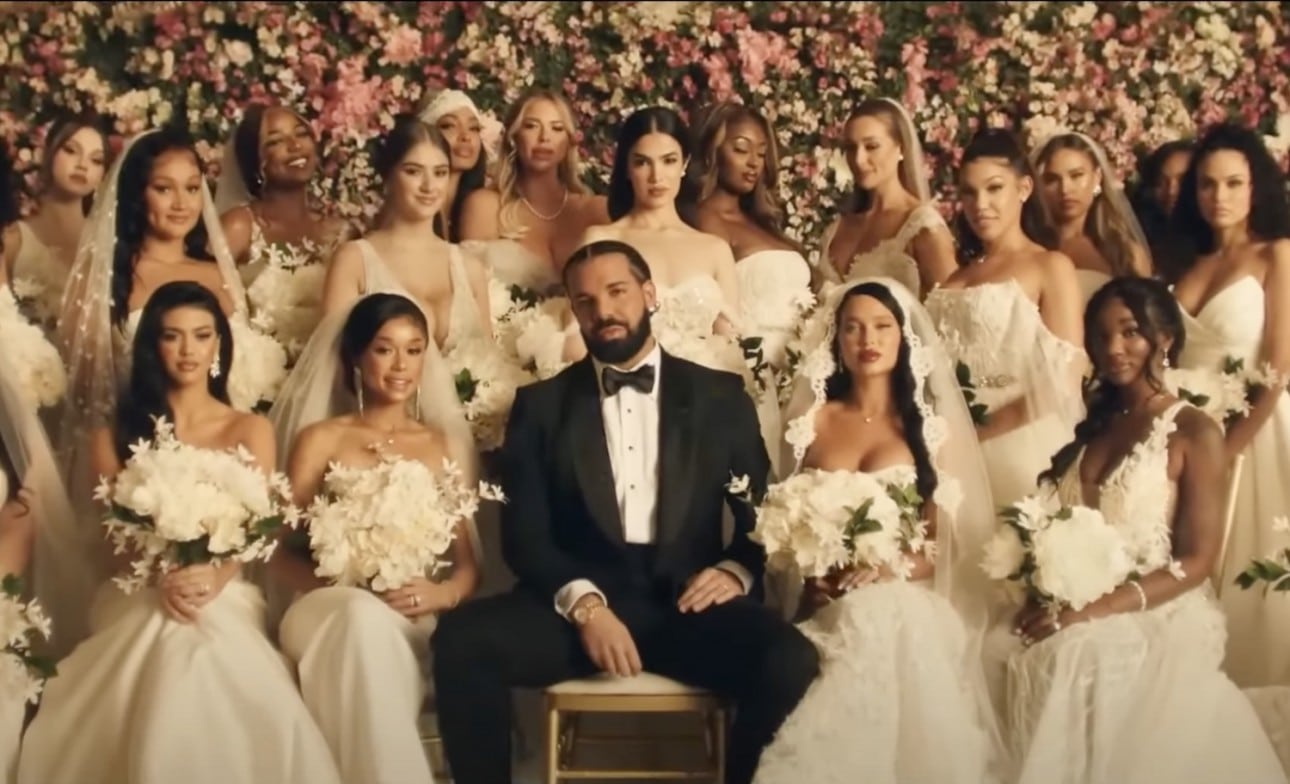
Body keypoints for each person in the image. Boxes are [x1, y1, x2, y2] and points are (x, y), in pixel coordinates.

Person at [431, 239, 819, 784]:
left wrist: (734, 571)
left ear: (649, 294)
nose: (603, 311)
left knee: (791, 660)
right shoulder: (540, 406)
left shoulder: (720, 397)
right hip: (577, 610)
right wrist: (585, 605)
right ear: (573, 311)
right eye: (585, 301)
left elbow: (762, 516)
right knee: (461, 642)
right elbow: (525, 538)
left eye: (617, 292)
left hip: (688, 608)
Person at [17, 281, 341, 784]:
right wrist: (161, 578)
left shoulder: (249, 429)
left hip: (223, 593)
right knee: (168, 641)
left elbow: (257, 529)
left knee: (207, 647)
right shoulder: (112, 436)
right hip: (137, 591)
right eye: (172, 336)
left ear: (218, 345)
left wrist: (213, 577)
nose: (188, 349)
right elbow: (111, 542)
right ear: (153, 346)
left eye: (201, 335)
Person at [999, 276, 1286, 784]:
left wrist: (1094, 610)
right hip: (1079, 599)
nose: (1114, 348)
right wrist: (1044, 587)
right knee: (998, 644)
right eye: (1102, 335)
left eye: (1130, 332)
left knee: (1080, 656)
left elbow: (1197, 560)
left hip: (1154, 606)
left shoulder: (1193, 429)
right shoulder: (1095, 425)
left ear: (1165, 338)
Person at [753, 278, 1002, 784]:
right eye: (853, 328)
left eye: (883, 326)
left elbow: (944, 541)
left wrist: (889, 569)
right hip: (821, 596)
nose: (868, 339)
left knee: (883, 615)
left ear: (904, 335)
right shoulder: (811, 420)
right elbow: (781, 518)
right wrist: (810, 579)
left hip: (905, 590)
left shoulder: (931, 429)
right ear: (836, 339)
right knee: (858, 619)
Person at [270, 292, 480, 784]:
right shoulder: (320, 439)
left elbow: (468, 565)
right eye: (384, 349)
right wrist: (341, 589)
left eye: (414, 349)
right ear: (356, 357)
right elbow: (275, 551)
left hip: (408, 616)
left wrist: (441, 594)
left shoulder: (442, 446)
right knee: (359, 620)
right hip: (325, 609)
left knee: (371, 640)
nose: (401, 365)